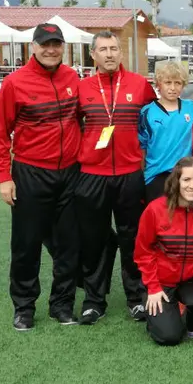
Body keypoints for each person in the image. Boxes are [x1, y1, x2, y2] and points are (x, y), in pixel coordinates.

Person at [0, 23, 81, 330]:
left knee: (68, 244)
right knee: (26, 244)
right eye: (45, 44)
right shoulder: (15, 83)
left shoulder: (73, 77)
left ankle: (62, 304)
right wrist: (4, 176)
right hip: (30, 173)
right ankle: (24, 307)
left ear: (63, 47)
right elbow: (1, 136)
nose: (51, 49)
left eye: (56, 43)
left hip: (70, 173)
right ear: (33, 47)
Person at [76, 30, 157, 324]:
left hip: (130, 174)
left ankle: (136, 298)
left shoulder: (139, 85)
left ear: (121, 53)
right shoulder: (81, 88)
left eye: (114, 48)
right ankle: (94, 300)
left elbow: (161, 117)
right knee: (94, 239)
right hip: (91, 175)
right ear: (93, 55)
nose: (110, 54)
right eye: (103, 49)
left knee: (132, 238)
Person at [133, 157, 193, 345]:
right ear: (176, 181)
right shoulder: (155, 210)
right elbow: (143, 252)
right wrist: (153, 287)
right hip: (161, 280)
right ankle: (158, 314)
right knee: (169, 336)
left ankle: (192, 322)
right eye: (186, 180)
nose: (192, 185)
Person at [139, 62, 193, 203]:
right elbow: (141, 150)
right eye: (168, 82)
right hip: (156, 176)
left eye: (177, 83)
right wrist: (141, 178)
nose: (173, 88)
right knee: (160, 221)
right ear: (158, 84)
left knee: (185, 220)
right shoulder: (147, 112)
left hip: (185, 175)